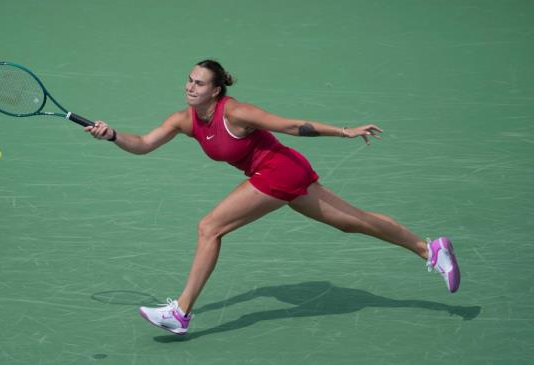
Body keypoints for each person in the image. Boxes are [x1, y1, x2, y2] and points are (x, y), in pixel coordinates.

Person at [85, 59, 461, 336]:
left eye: (200, 83)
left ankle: (181, 312)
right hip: (282, 173)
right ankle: (430, 249)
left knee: (210, 227)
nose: (191, 87)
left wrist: (344, 132)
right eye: (189, 80)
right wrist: (114, 135)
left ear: (216, 90)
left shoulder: (238, 113)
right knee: (353, 222)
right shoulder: (183, 120)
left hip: (278, 171)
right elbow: (145, 144)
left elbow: (291, 126)